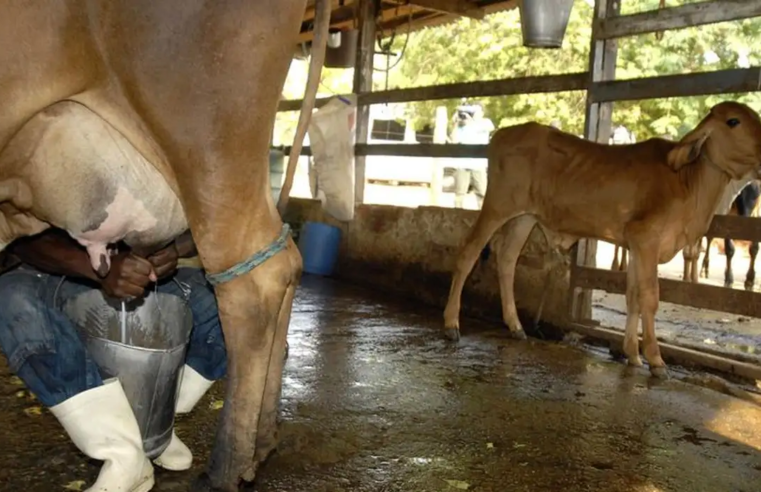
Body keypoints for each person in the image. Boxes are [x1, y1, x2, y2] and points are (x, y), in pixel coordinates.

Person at [0, 227, 228, 491]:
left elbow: (209, 219)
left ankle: (154, 430)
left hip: (133, 270)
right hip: (51, 272)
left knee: (230, 304)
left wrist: (173, 249)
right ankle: (124, 456)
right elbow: (16, 237)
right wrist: (98, 268)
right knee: (11, 301)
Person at [450, 104, 495, 209]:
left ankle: (481, 214)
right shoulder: (462, 125)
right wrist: (456, 124)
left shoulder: (485, 122)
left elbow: (490, 127)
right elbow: (454, 140)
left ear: (482, 113)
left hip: (478, 165)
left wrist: (471, 122)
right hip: (462, 164)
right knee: (459, 193)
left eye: (476, 111)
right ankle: (458, 214)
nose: (474, 113)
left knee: (482, 193)